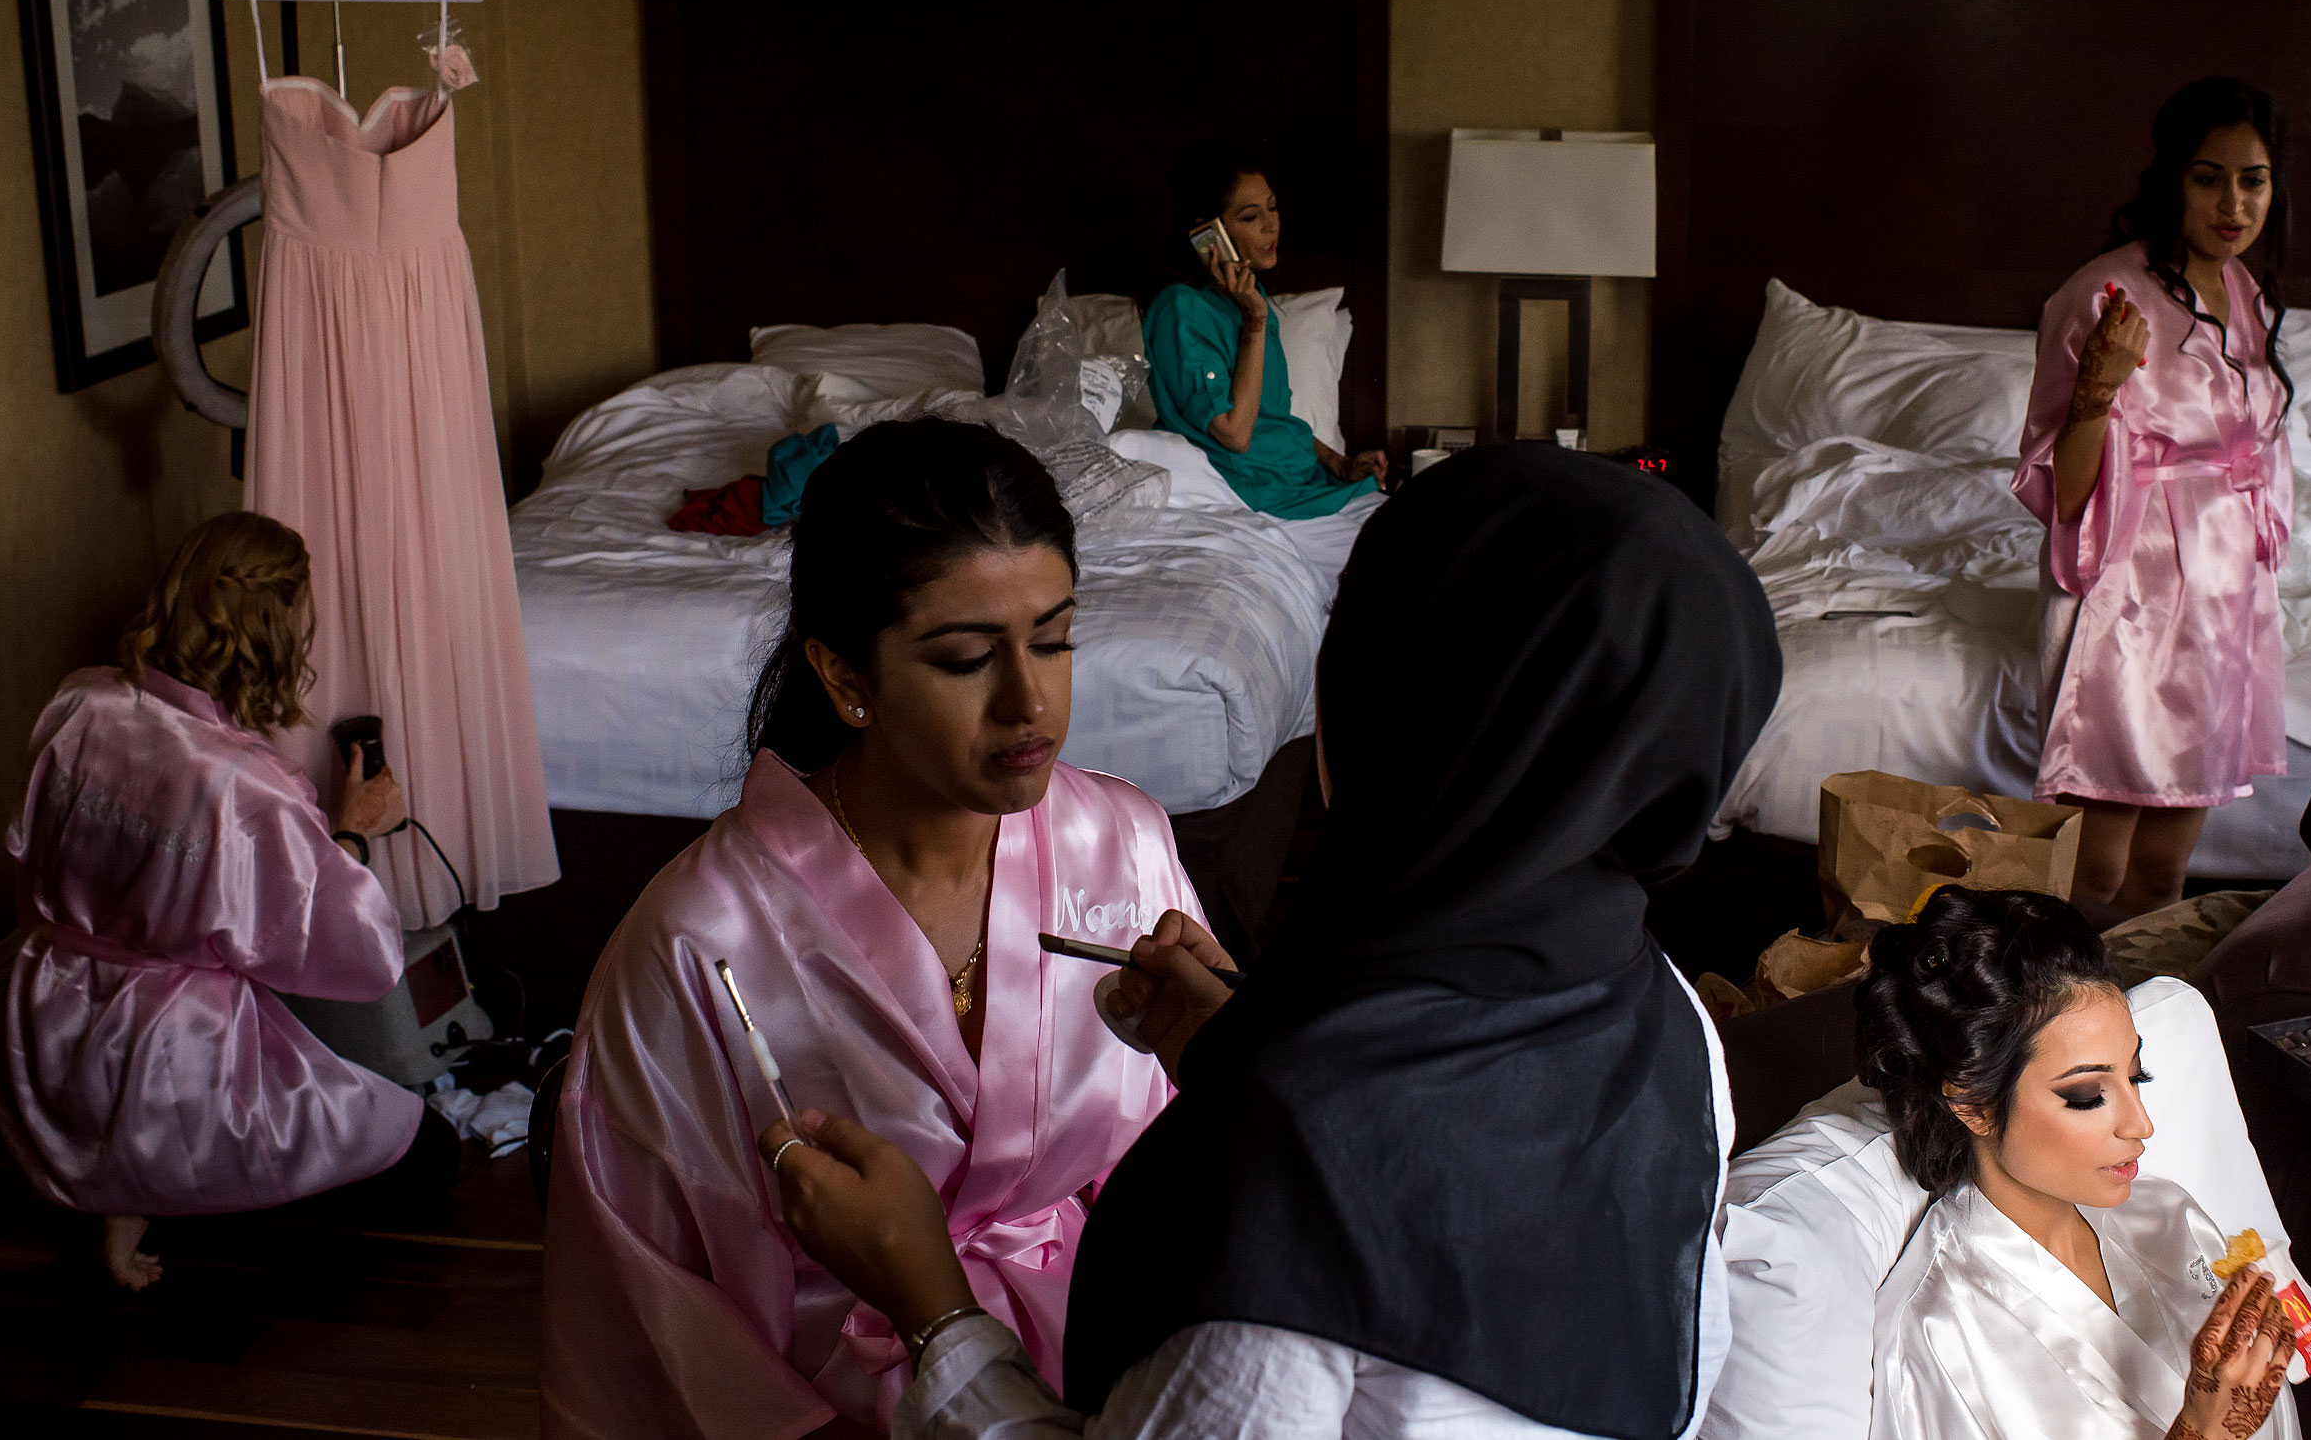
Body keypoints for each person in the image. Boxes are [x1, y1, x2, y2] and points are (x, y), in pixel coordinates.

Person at [751, 445, 1783, 1439]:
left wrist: (931, 1304)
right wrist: (1253, 1051)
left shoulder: (1280, 1181)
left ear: (1397, 708)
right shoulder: (1669, 1020)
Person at [539, 419, 1202, 1440]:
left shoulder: (1128, 845)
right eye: (967, 657)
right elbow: (647, 1301)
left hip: (1121, 1364)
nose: (1030, 699)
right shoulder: (698, 942)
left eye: (1055, 636)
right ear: (847, 675)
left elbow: (1197, 1167)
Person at [0, 512, 454, 1293]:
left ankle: (124, 1181)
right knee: (430, 1150)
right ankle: (153, 1180)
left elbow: (25, 857)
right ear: (274, 637)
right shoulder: (247, 787)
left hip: (42, 1029)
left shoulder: (81, 704)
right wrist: (353, 833)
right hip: (163, 1057)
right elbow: (360, 954)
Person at [1857, 887, 2300, 1440]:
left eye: (2136, 1077)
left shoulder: (2170, 1215)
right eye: (2089, 1095)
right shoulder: (1937, 1332)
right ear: (1973, 1104)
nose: (2140, 1124)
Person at [2012, 78, 2297, 916]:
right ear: (2173, 177)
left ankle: (2142, 1034)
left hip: (2221, 598)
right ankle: (2059, 1024)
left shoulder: (2246, 295)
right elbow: (2062, 490)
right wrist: (2096, 390)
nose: (2234, 202)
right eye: (2210, 178)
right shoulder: (2103, 294)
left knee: (2167, 875)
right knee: (2093, 872)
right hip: (2130, 597)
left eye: (2254, 180)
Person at [1144, 142, 1387, 598]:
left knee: (1445, 539)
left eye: (1273, 209)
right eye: (1250, 216)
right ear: (1207, 233)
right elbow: (1236, 433)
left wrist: (1339, 463)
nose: (1272, 225)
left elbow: (1273, 416)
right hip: (1263, 501)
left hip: (1311, 486)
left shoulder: (1253, 305)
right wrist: (1254, 322)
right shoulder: (1182, 310)